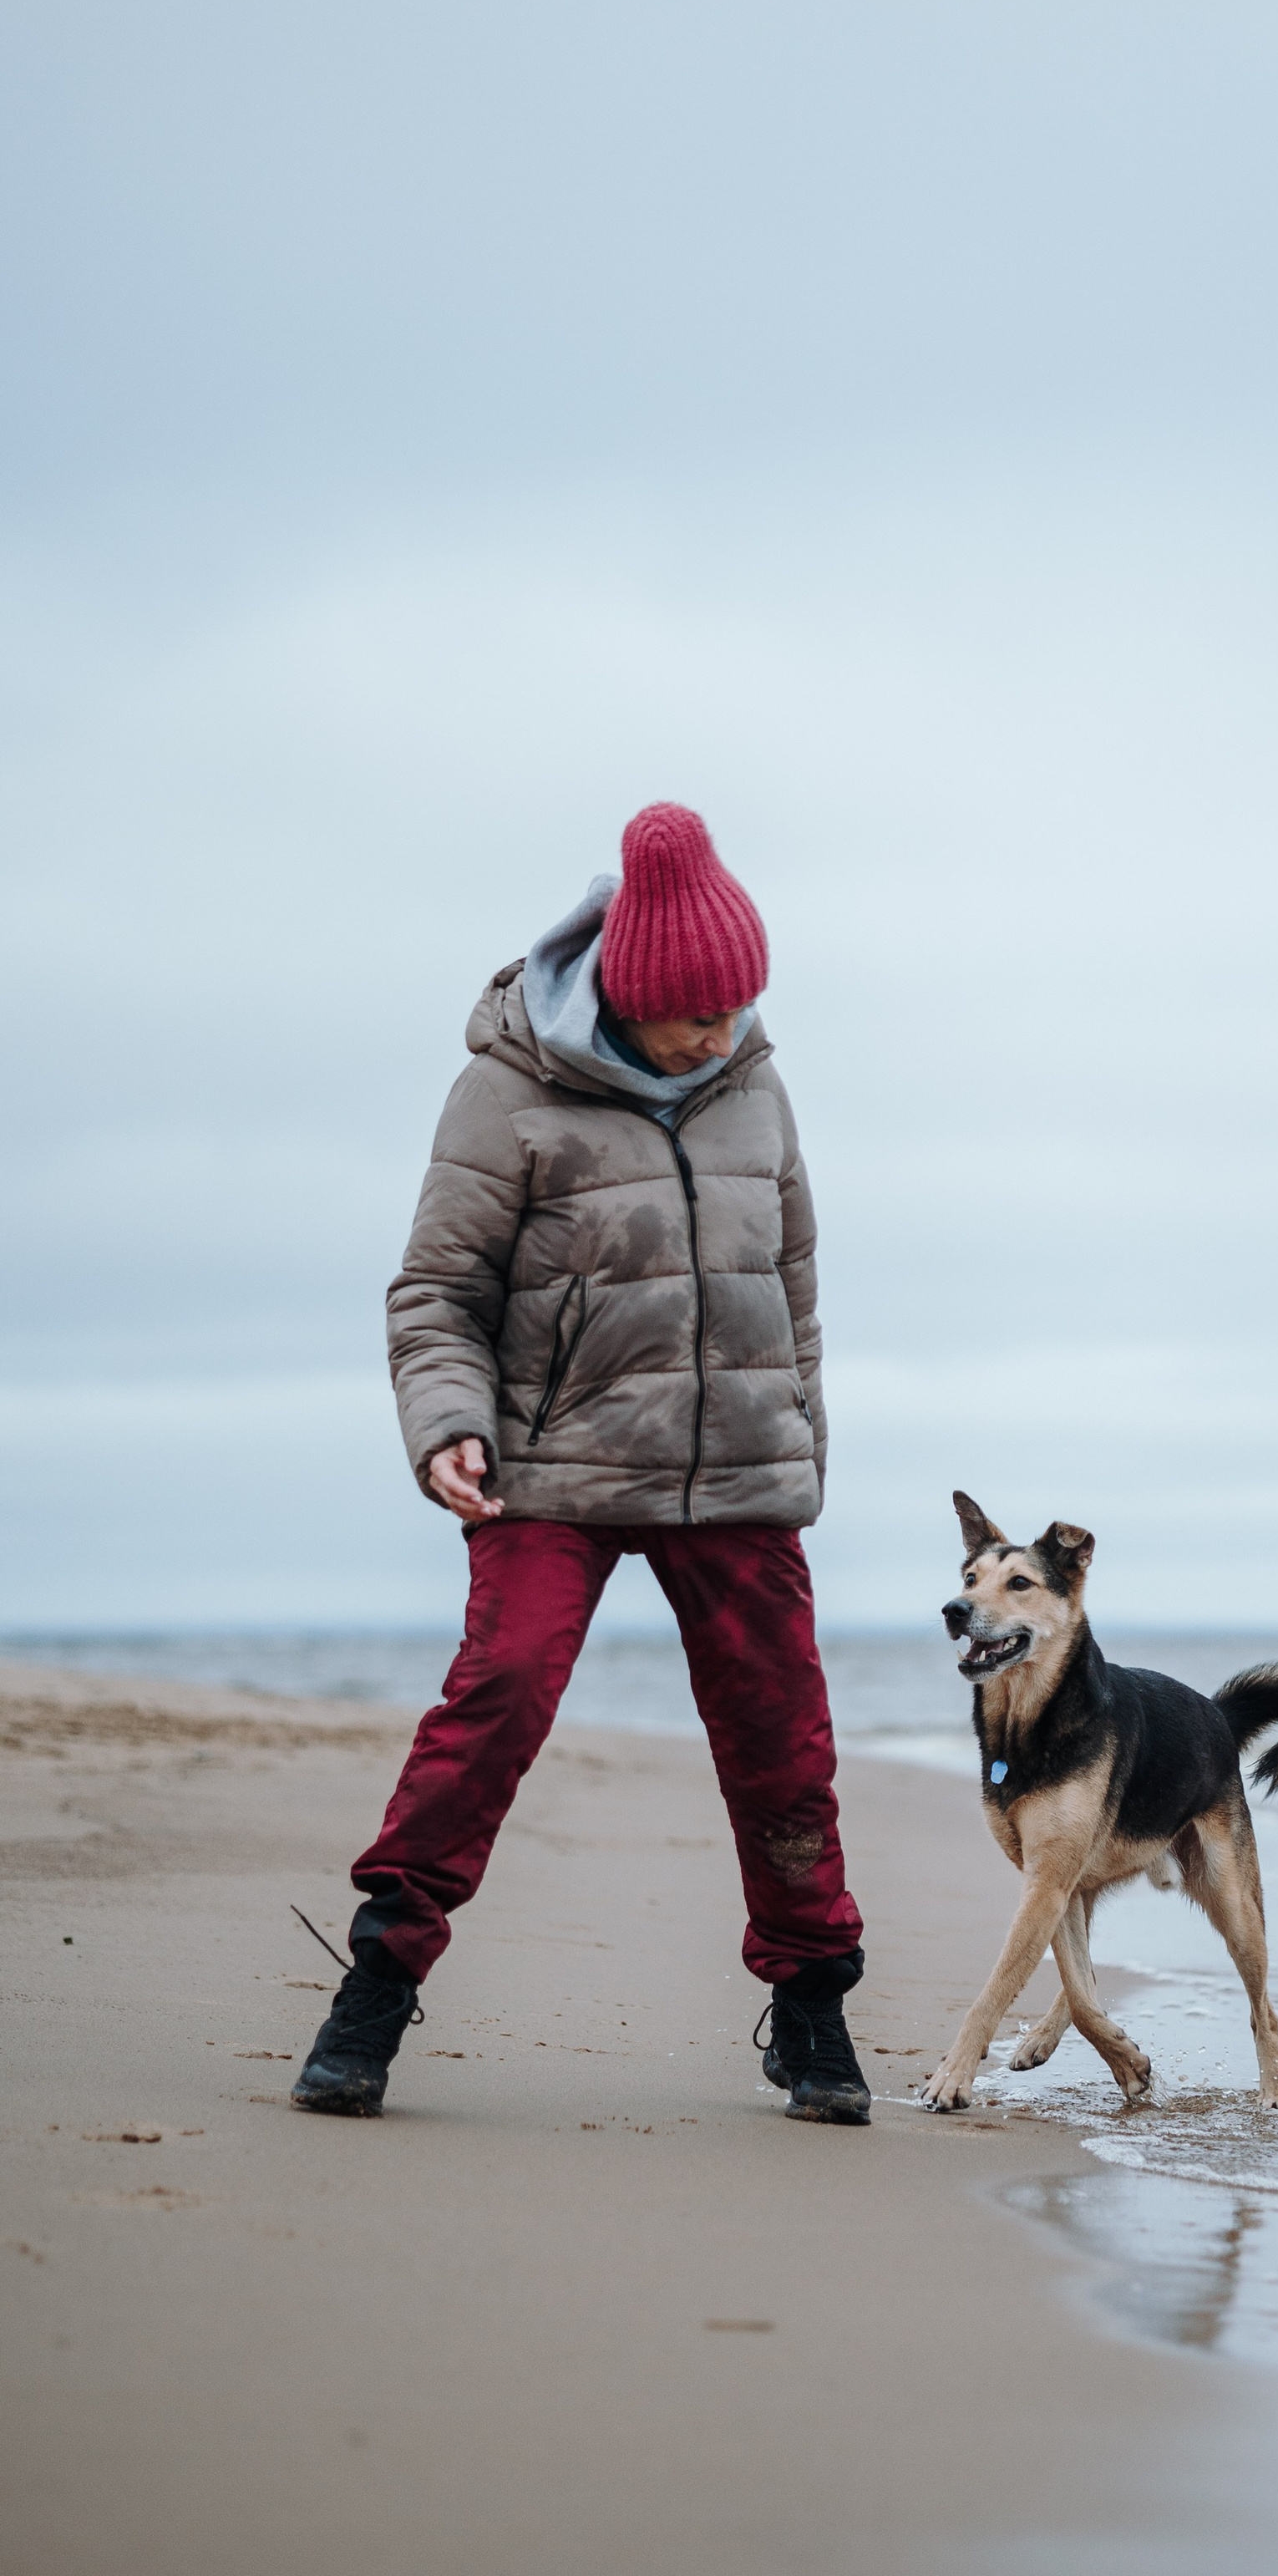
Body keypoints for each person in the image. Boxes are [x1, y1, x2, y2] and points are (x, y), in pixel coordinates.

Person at [291, 804, 870, 2126]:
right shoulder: (507, 1091)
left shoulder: (755, 1086)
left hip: (734, 1475)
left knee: (786, 1743)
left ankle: (815, 2007)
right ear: (628, 993)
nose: (719, 1035)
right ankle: (374, 1989)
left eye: (738, 1007)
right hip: (551, 1463)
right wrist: (447, 1422)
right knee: (495, 1701)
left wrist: (799, 1453)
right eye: (694, 1015)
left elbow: (791, 1284)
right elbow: (435, 1290)